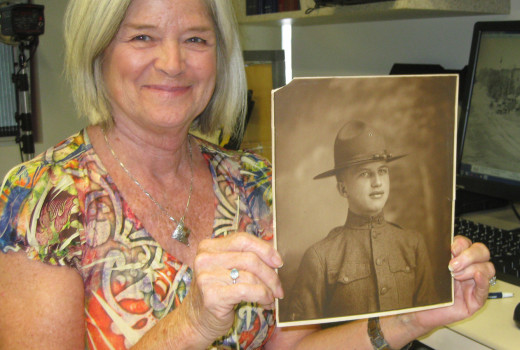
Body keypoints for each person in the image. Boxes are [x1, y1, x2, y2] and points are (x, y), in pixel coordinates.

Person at [0, 0, 495, 349]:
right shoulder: (45, 201)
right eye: (143, 36)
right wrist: (192, 322)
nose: (173, 63)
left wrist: (409, 318)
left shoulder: (256, 187)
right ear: (99, 51)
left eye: (196, 39)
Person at [285, 120, 441, 322]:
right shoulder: (320, 258)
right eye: (365, 174)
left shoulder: (412, 244)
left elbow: (428, 323)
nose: (377, 182)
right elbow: (302, 340)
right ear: (343, 189)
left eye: (383, 171)